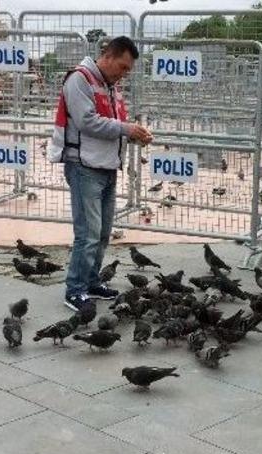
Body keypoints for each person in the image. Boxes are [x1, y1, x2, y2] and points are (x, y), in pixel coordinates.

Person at [48, 36, 153, 312]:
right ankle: (75, 289)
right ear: (108, 57)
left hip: (107, 167)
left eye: (128, 70)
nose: (124, 74)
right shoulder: (79, 79)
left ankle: (92, 281)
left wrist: (134, 135)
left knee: (103, 232)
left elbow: (114, 124)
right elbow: (87, 121)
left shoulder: (110, 86)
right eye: (123, 67)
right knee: (88, 233)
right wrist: (126, 129)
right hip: (84, 167)